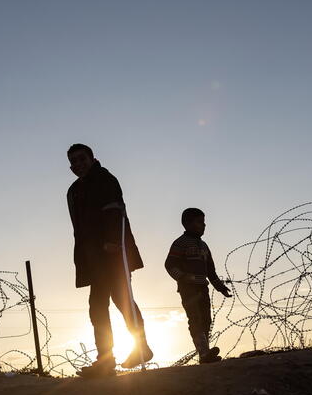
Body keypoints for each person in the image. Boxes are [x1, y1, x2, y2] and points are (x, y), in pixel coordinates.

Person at [66, 143, 153, 377]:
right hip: (93, 257)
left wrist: (114, 240)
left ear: (92, 158)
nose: (77, 164)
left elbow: (114, 209)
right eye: (73, 161)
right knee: (100, 305)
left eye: (81, 159)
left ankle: (132, 350)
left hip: (111, 253)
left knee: (120, 300)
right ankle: (110, 357)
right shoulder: (75, 190)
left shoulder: (104, 179)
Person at [165, 208, 231, 363]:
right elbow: (169, 264)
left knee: (206, 319)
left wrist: (220, 287)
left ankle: (206, 353)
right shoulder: (180, 243)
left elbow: (211, 271)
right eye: (199, 222)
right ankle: (203, 353)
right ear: (187, 224)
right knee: (195, 318)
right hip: (188, 289)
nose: (204, 225)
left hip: (203, 288)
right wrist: (182, 277)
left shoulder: (204, 246)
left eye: (204, 222)